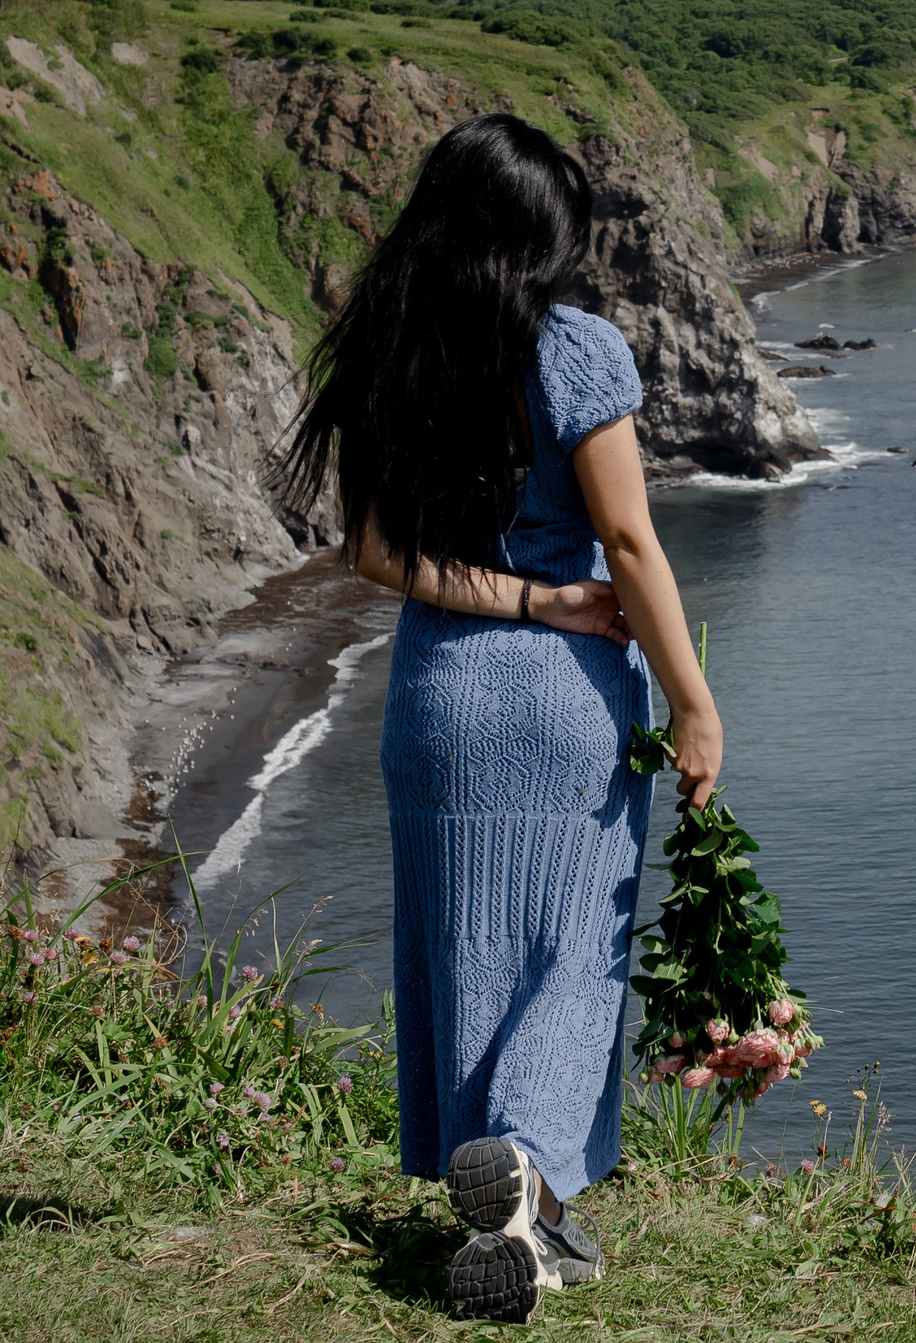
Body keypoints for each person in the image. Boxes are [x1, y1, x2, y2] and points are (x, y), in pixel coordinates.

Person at [276, 113, 722, 1324]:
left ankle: (526, 1216)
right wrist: (692, 702)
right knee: (575, 951)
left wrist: (519, 596)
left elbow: (374, 550)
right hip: (562, 705)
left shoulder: (381, 347)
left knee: (469, 950)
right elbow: (628, 541)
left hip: (436, 700)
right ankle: (522, 1159)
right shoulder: (574, 348)